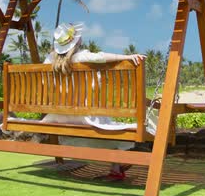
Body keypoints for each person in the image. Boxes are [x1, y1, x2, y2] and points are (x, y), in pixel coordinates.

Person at [43, 22, 146, 180]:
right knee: (109, 125)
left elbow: (45, 84)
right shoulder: (82, 57)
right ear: (77, 41)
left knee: (101, 126)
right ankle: (120, 160)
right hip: (82, 117)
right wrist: (127, 57)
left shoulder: (49, 60)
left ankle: (117, 167)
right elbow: (101, 57)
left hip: (57, 116)